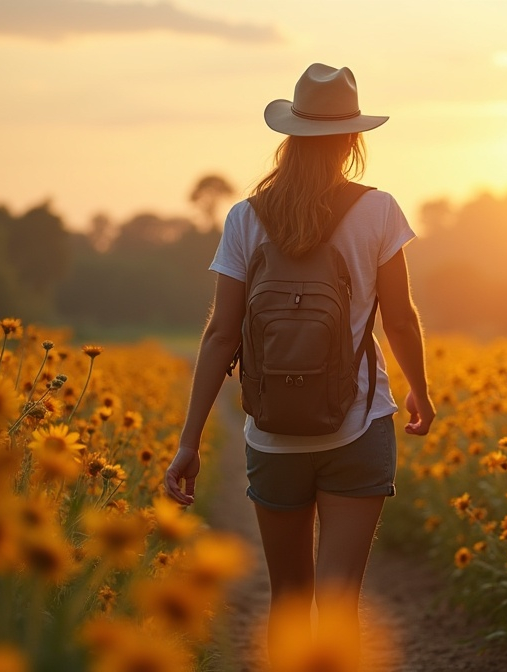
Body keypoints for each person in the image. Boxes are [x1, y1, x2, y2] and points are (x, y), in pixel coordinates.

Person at [164, 63, 435, 665]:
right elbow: (400, 319)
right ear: (353, 140)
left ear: (289, 136)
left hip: (272, 433)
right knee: (338, 607)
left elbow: (219, 335)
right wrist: (420, 390)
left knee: (288, 603)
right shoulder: (380, 210)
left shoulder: (244, 218)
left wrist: (190, 441)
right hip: (359, 426)